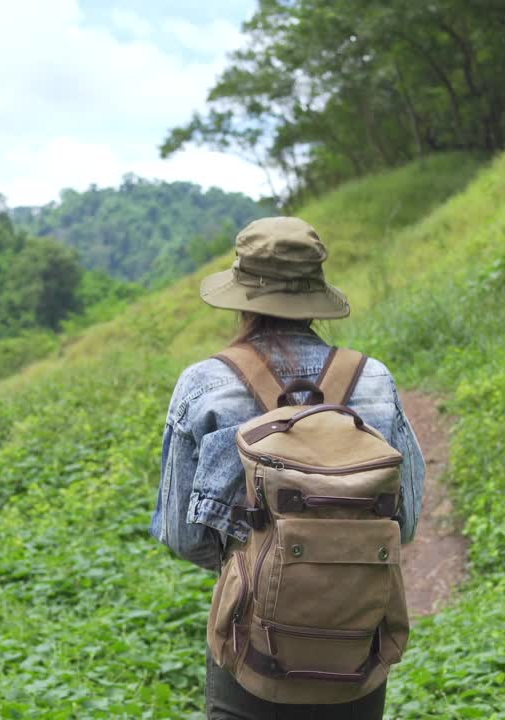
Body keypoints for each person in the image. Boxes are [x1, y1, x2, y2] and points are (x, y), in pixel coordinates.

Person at [150, 216, 426, 719]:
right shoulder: (374, 380)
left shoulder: (204, 384)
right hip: (356, 649)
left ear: (241, 297)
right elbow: (402, 523)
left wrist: (263, 563)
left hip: (247, 649)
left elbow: (181, 535)